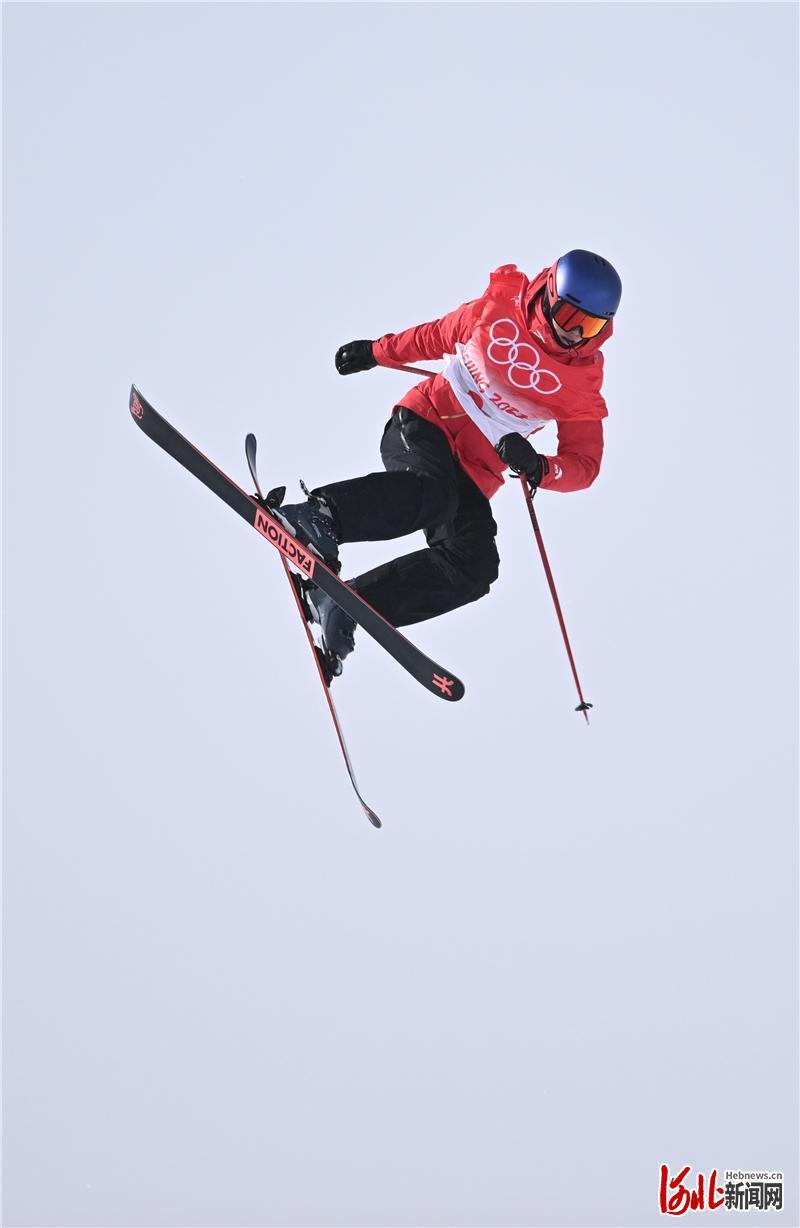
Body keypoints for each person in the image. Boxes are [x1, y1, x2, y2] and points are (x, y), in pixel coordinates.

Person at [276, 249, 621, 675]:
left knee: (474, 566)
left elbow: (584, 464)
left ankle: (342, 604)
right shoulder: (498, 310)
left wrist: (539, 467)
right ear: (549, 294)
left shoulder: (581, 387)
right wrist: (377, 351)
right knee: (434, 496)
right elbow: (435, 336)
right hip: (425, 422)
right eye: (569, 317)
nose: (575, 335)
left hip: (473, 473)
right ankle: (321, 515)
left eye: (590, 327)